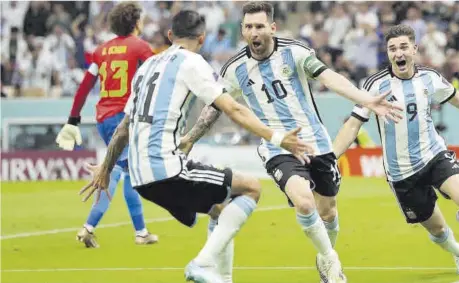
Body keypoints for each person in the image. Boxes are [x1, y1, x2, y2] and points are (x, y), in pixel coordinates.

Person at [79, 10, 312, 283]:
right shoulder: (192, 62)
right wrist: (277, 138)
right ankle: (201, 264)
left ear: (169, 35)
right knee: (251, 188)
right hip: (165, 169)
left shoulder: (147, 67)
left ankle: (222, 278)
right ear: (202, 38)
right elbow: (232, 108)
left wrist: (106, 168)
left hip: (141, 176)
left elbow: (123, 129)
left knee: (219, 208)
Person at [179, 2, 403, 282]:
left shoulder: (295, 52)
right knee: (305, 203)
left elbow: (329, 78)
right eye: (248, 27)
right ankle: (333, 265)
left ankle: (325, 256)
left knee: (328, 211)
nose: (254, 32)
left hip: (317, 144)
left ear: (272, 28)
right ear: (243, 31)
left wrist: (365, 99)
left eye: (259, 26)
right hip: (277, 146)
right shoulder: (235, 69)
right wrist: (190, 137)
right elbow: (215, 107)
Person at [332, 24, 459, 275]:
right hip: (402, 172)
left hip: (434, 155)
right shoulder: (375, 85)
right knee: (438, 231)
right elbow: (353, 125)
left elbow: (457, 98)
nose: (398, 53)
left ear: (414, 49)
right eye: (392, 49)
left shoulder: (429, 77)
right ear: (387, 53)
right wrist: (331, 157)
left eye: (403, 47)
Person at [55, 2, 158, 248]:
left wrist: (73, 119)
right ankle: (132, 231)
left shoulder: (101, 51)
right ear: (135, 22)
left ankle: (97, 229)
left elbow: (84, 87)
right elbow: (158, 75)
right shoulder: (141, 48)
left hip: (103, 118)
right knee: (127, 173)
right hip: (124, 120)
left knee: (115, 170)